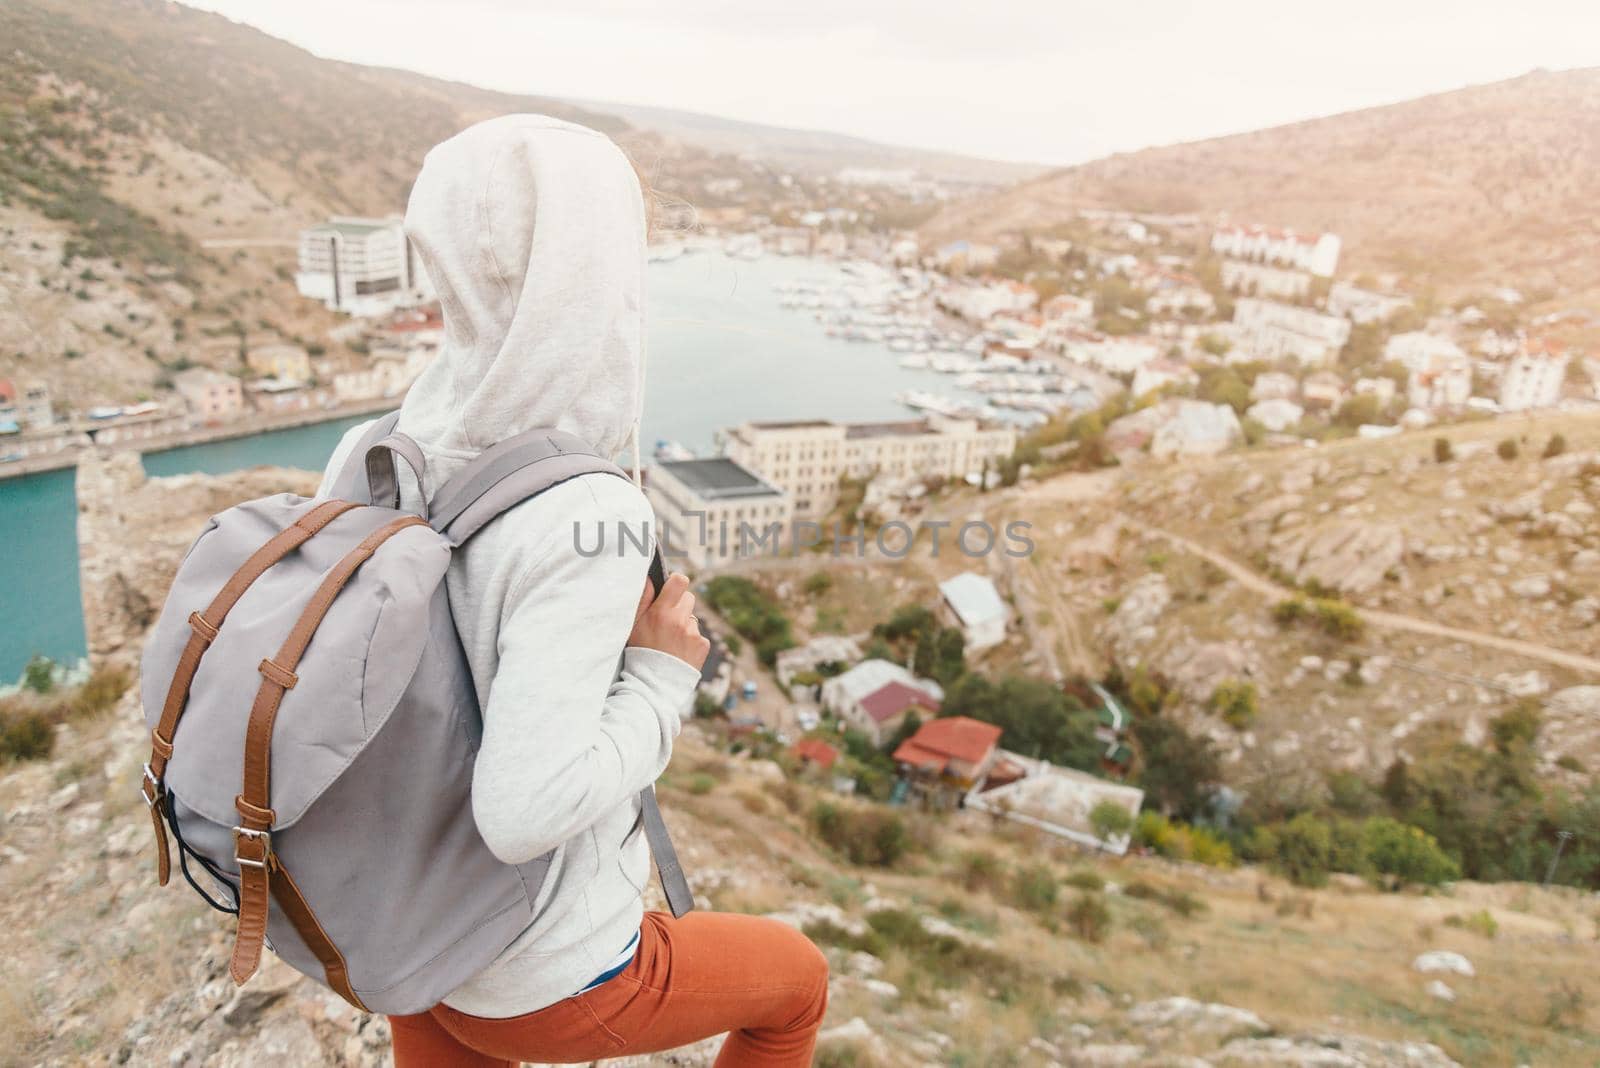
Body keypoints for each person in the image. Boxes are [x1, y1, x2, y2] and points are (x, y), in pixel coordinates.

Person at [317, 115, 828, 1067]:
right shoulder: (585, 507)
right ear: (595, 277)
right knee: (796, 982)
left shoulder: (373, 449)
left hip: (405, 935)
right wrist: (663, 676)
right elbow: (524, 812)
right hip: (537, 977)